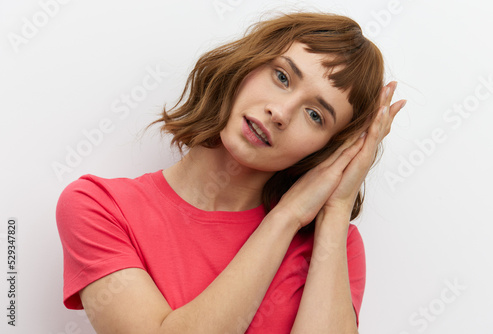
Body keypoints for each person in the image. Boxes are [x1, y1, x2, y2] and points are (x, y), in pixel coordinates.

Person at [56, 12, 406, 333]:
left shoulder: (334, 245)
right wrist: (286, 216)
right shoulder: (99, 207)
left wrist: (336, 207)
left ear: (327, 150)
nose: (281, 112)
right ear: (246, 65)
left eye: (315, 115)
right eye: (282, 76)